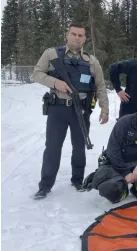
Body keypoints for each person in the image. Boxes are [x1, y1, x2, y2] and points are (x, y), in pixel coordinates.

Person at [32, 23, 109, 199]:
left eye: (80, 35)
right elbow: (36, 73)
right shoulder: (52, 54)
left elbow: (100, 86)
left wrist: (105, 109)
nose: (76, 38)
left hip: (81, 110)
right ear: (67, 35)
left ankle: (77, 179)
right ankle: (45, 186)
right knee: (52, 148)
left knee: (79, 147)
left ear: (85, 39)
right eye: (73, 34)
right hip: (57, 109)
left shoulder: (92, 61)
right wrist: (55, 83)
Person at [83, 97, 137, 203]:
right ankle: (122, 191)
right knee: (109, 188)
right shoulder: (124, 122)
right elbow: (112, 150)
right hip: (117, 163)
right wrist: (125, 173)